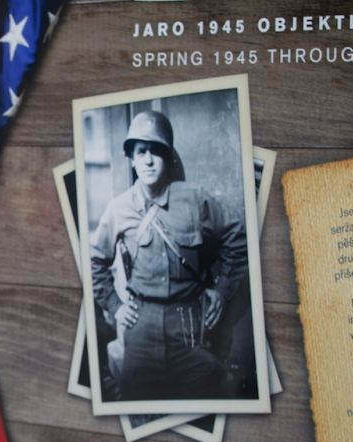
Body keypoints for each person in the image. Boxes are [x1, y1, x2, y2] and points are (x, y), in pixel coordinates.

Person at [90, 110, 247, 401]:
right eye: (141, 152)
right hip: (141, 325)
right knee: (139, 405)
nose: (148, 160)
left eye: (156, 152)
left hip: (189, 323)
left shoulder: (195, 199)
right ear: (132, 158)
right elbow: (94, 260)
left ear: (169, 156)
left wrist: (222, 291)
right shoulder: (118, 209)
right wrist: (114, 305)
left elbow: (237, 238)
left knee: (203, 401)